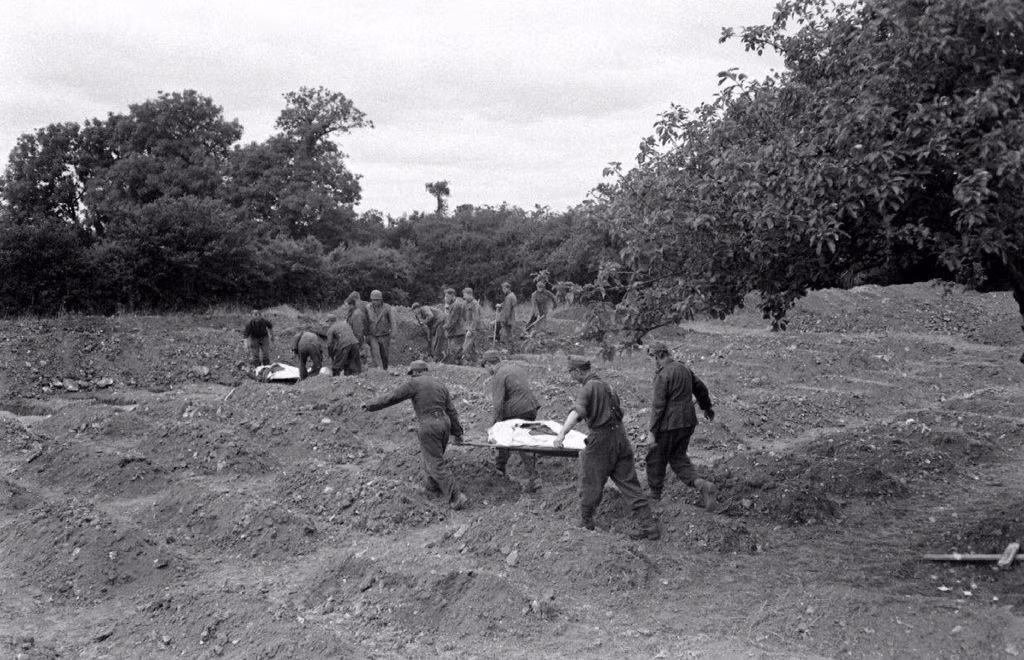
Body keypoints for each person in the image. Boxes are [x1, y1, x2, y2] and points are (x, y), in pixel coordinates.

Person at [553, 356, 660, 540]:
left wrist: (562, 433)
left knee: (591, 480)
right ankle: (649, 526)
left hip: (601, 440)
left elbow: (577, 412)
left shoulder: (589, 388)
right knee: (629, 483)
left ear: (577, 372)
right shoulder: (608, 386)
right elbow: (620, 412)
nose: (571, 377)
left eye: (571, 373)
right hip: (620, 437)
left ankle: (586, 522)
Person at [362, 360, 469, 510]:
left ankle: (456, 497)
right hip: (445, 423)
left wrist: (370, 405)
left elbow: (393, 396)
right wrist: (457, 433)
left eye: (412, 374)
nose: (412, 376)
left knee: (435, 462)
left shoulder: (414, 383)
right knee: (433, 457)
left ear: (416, 372)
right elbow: (451, 410)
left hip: (428, 425)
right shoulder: (440, 385)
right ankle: (433, 486)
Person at [646, 342, 719, 509]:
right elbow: (700, 387)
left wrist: (652, 432)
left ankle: (654, 498)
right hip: (687, 422)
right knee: (678, 458)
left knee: (655, 458)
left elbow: (658, 406)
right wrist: (706, 408)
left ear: (658, 356)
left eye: (652, 358)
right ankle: (703, 486)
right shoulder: (683, 369)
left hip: (669, 424)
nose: (653, 362)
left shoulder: (663, 375)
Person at [482, 350, 541, 493]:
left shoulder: (499, 375)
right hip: (531, 407)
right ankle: (500, 468)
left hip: (518, 409)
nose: (486, 370)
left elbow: (498, 404)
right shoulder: (515, 368)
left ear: (489, 364)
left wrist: (493, 426)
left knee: (518, 440)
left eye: (485, 367)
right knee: (515, 437)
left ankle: (533, 478)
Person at [366, 289, 394, 370]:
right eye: (373, 300)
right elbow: (365, 321)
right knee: (376, 353)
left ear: (381, 299)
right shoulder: (368, 308)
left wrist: (393, 336)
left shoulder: (387, 308)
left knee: (384, 355)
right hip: (373, 335)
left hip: (384, 335)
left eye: (377, 300)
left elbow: (393, 322)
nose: (375, 302)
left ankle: (384, 369)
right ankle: (379, 370)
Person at [443, 288, 467, 364]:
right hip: (455, 331)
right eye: (445, 296)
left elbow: (452, 321)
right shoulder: (453, 305)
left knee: (455, 350)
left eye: (447, 296)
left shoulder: (456, 305)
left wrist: (445, 327)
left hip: (457, 331)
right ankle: (459, 363)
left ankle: (461, 364)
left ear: (452, 296)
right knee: (453, 350)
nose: (445, 298)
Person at [345, 291, 370, 360]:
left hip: (360, 334)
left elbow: (358, 329)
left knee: (361, 351)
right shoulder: (366, 305)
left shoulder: (357, 312)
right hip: (363, 333)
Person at [462, 287, 481, 365]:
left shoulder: (475, 304)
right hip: (468, 327)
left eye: (465, 295)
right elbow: (464, 316)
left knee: (466, 346)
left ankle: (464, 361)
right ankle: (476, 363)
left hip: (473, 329)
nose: (463, 297)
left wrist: (470, 329)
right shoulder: (466, 303)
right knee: (473, 347)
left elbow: (476, 318)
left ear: (470, 294)